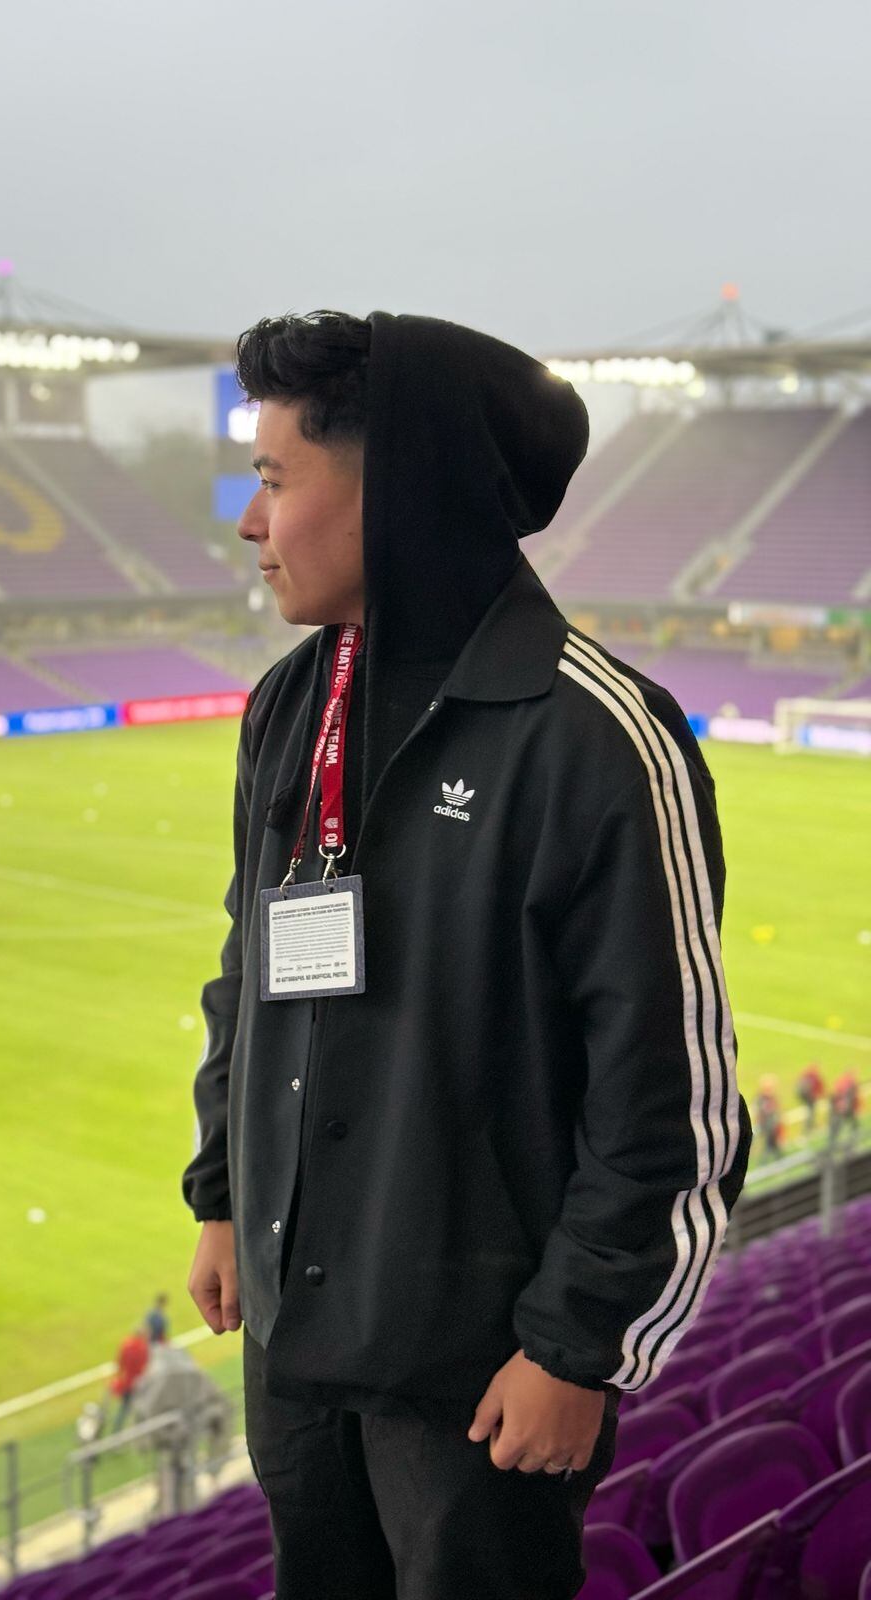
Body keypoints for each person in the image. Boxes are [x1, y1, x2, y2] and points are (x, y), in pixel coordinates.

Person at [182, 310, 752, 1600]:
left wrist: (576, 1349)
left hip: (481, 1384)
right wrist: (222, 1188)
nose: (250, 523)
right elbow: (249, 969)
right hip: (293, 1336)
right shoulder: (288, 702)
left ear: (403, 497)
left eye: (276, 480)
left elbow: (672, 1098)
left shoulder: (595, 738)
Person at [105, 1326, 150, 1434]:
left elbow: (119, 1363)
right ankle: (139, 1432)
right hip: (137, 1385)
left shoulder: (126, 1344)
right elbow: (144, 1368)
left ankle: (116, 1432)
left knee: (124, 1410)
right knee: (140, 1409)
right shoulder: (142, 1348)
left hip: (125, 1383)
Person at [830, 1069, 861, 1150]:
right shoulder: (851, 1082)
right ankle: (849, 1143)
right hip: (845, 1108)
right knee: (848, 1125)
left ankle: (836, 1142)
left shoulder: (841, 1081)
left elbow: (835, 1093)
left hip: (840, 1107)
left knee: (843, 1125)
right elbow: (853, 1096)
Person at [755, 1076, 784, 1160]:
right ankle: (767, 1160)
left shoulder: (765, 1098)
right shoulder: (762, 1099)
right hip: (768, 1126)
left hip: (771, 1125)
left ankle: (778, 1158)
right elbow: (766, 1112)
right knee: (769, 1144)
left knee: (772, 1144)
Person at [796, 1062, 825, 1135]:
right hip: (810, 1098)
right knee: (811, 1113)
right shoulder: (815, 1077)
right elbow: (820, 1088)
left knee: (810, 1112)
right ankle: (807, 1130)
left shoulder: (806, 1074)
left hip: (805, 1097)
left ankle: (811, 1126)